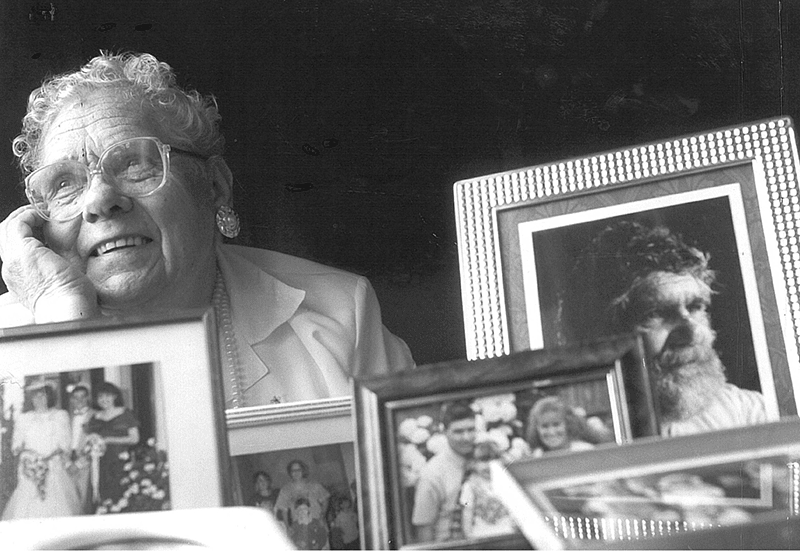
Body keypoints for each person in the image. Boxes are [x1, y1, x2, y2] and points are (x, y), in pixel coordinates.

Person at [0, 51, 414, 409]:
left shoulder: (339, 316)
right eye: (64, 185)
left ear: (214, 186)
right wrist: (62, 314)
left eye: (133, 163)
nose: (99, 200)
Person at [575, 220, 768, 436]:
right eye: (656, 313)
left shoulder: (751, 413)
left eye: (696, 307)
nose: (692, 332)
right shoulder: (582, 436)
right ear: (608, 333)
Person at [2, 382, 81, 519]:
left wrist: (47, 457)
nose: (39, 399)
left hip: (52, 464)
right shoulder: (23, 418)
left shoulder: (60, 415)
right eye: (35, 396)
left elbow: (64, 444)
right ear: (31, 399)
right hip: (30, 466)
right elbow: (16, 445)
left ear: (49, 397)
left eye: (42, 396)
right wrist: (29, 456)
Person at [411, 400, 476, 543]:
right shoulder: (432, 473)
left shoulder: (484, 459)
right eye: (458, 431)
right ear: (444, 431)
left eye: (471, 430)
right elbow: (424, 529)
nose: (467, 437)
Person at [84, 381, 140, 511]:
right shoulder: (95, 417)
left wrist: (109, 440)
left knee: (120, 497)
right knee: (100, 497)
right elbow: (90, 439)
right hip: (99, 463)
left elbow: (134, 439)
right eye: (100, 397)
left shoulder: (125, 413)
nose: (104, 400)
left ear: (115, 396)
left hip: (119, 462)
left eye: (107, 396)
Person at [458, 440, 515, 539]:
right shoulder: (471, 486)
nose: (489, 465)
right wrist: (468, 535)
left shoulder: (508, 482)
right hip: (482, 534)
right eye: (484, 461)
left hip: (507, 532)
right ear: (473, 463)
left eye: (493, 460)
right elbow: (467, 511)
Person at [274, 459, 331, 548]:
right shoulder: (286, 489)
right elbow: (284, 510)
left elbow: (325, 499)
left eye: (298, 470)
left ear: (303, 470)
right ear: (290, 472)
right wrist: (288, 527)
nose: (296, 472)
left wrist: (322, 516)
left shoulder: (314, 485)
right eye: (293, 470)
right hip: (299, 528)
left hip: (318, 525)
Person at [524, 396, 594, 457]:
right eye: (545, 426)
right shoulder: (536, 457)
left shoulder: (586, 451)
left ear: (568, 424)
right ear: (536, 429)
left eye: (556, 424)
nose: (551, 432)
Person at [66, 385, 96, 513]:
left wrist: (78, 464)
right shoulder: (65, 417)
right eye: (76, 397)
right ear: (71, 399)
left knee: (84, 502)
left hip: (85, 463)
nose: (79, 400)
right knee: (69, 502)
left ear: (88, 398)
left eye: (83, 397)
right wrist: (68, 463)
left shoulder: (95, 416)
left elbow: (95, 444)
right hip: (67, 463)